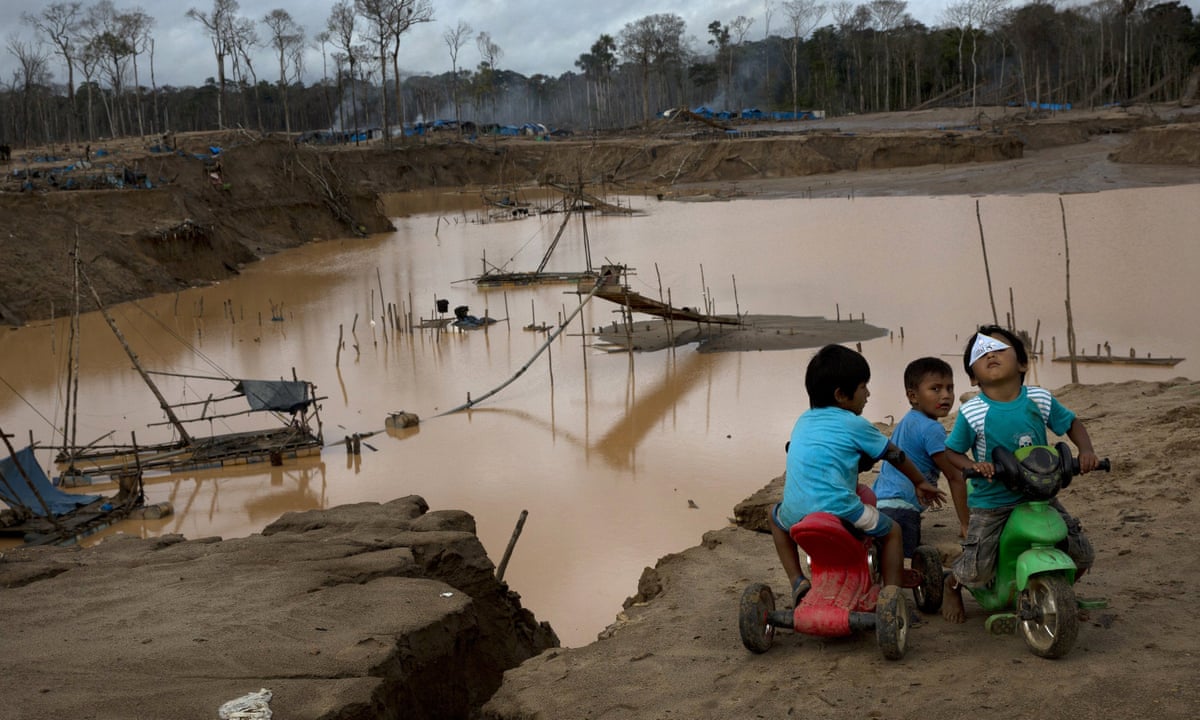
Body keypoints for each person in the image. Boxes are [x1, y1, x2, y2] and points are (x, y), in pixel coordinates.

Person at [941, 325, 1100, 623]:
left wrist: (1086, 451)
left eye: (999, 349)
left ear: (1023, 363)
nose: (990, 354)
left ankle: (1054, 593)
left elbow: (1072, 424)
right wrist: (973, 466)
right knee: (976, 569)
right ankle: (952, 584)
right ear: (973, 376)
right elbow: (952, 452)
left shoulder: (1039, 399)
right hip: (993, 500)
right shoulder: (972, 412)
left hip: (1040, 494)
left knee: (1081, 553)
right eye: (982, 353)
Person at [771, 344, 946, 605]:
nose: (868, 393)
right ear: (842, 395)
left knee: (774, 518)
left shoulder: (803, 421)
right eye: (864, 386)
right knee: (892, 531)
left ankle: (797, 580)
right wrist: (919, 481)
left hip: (797, 514)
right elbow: (894, 454)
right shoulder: (855, 424)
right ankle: (892, 593)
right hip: (839, 511)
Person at [873, 357, 969, 558]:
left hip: (878, 503)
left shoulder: (908, 420)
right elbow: (954, 477)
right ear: (913, 396)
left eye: (950, 388)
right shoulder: (932, 428)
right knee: (903, 557)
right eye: (935, 389)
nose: (946, 396)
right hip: (901, 509)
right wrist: (965, 524)